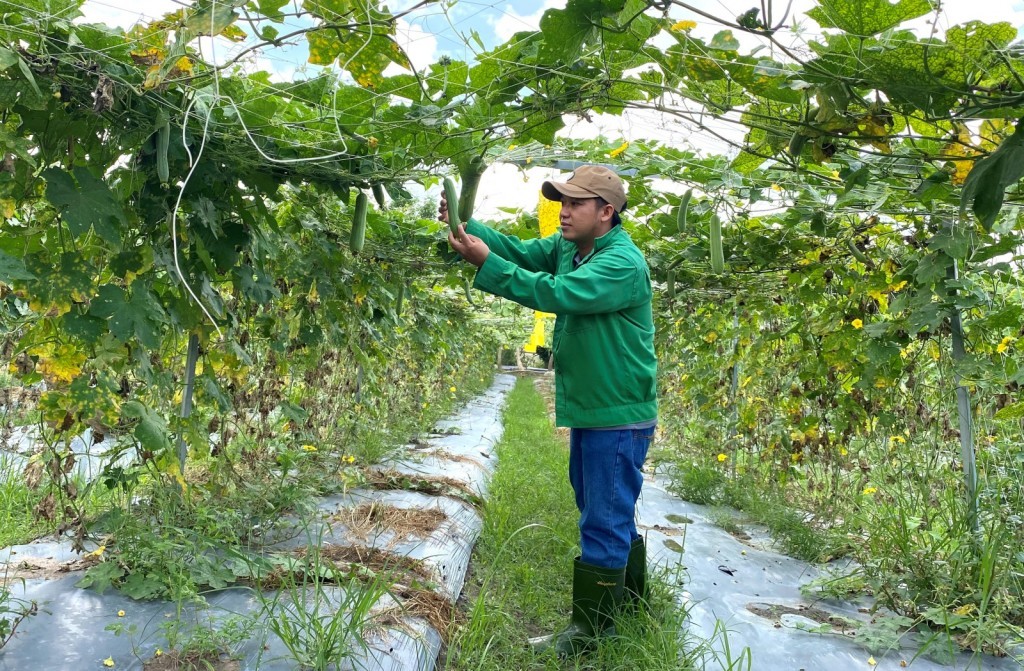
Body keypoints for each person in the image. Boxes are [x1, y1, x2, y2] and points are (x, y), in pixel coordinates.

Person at [440, 164, 658, 656]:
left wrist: (484, 264)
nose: (564, 212)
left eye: (575, 203)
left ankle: (592, 638)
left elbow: (556, 294)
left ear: (606, 212)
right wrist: (468, 228)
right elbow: (520, 252)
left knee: (602, 515)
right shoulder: (570, 248)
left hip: (618, 412)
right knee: (601, 505)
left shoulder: (621, 263)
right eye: (562, 201)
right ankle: (629, 609)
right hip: (596, 406)